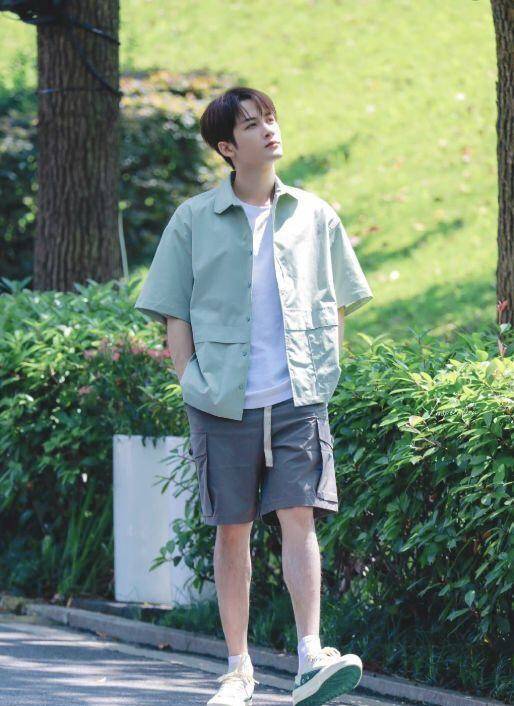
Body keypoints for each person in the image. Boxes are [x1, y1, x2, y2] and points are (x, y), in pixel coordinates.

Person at [134, 86, 374, 706]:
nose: (269, 129)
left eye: (270, 118)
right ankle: (237, 671)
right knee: (233, 531)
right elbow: (173, 311)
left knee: (301, 519)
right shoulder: (193, 219)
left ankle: (310, 656)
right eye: (251, 124)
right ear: (226, 147)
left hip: (298, 397)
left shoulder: (315, 215)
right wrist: (191, 380)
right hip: (222, 400)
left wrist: (324, 372)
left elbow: (339, 300)